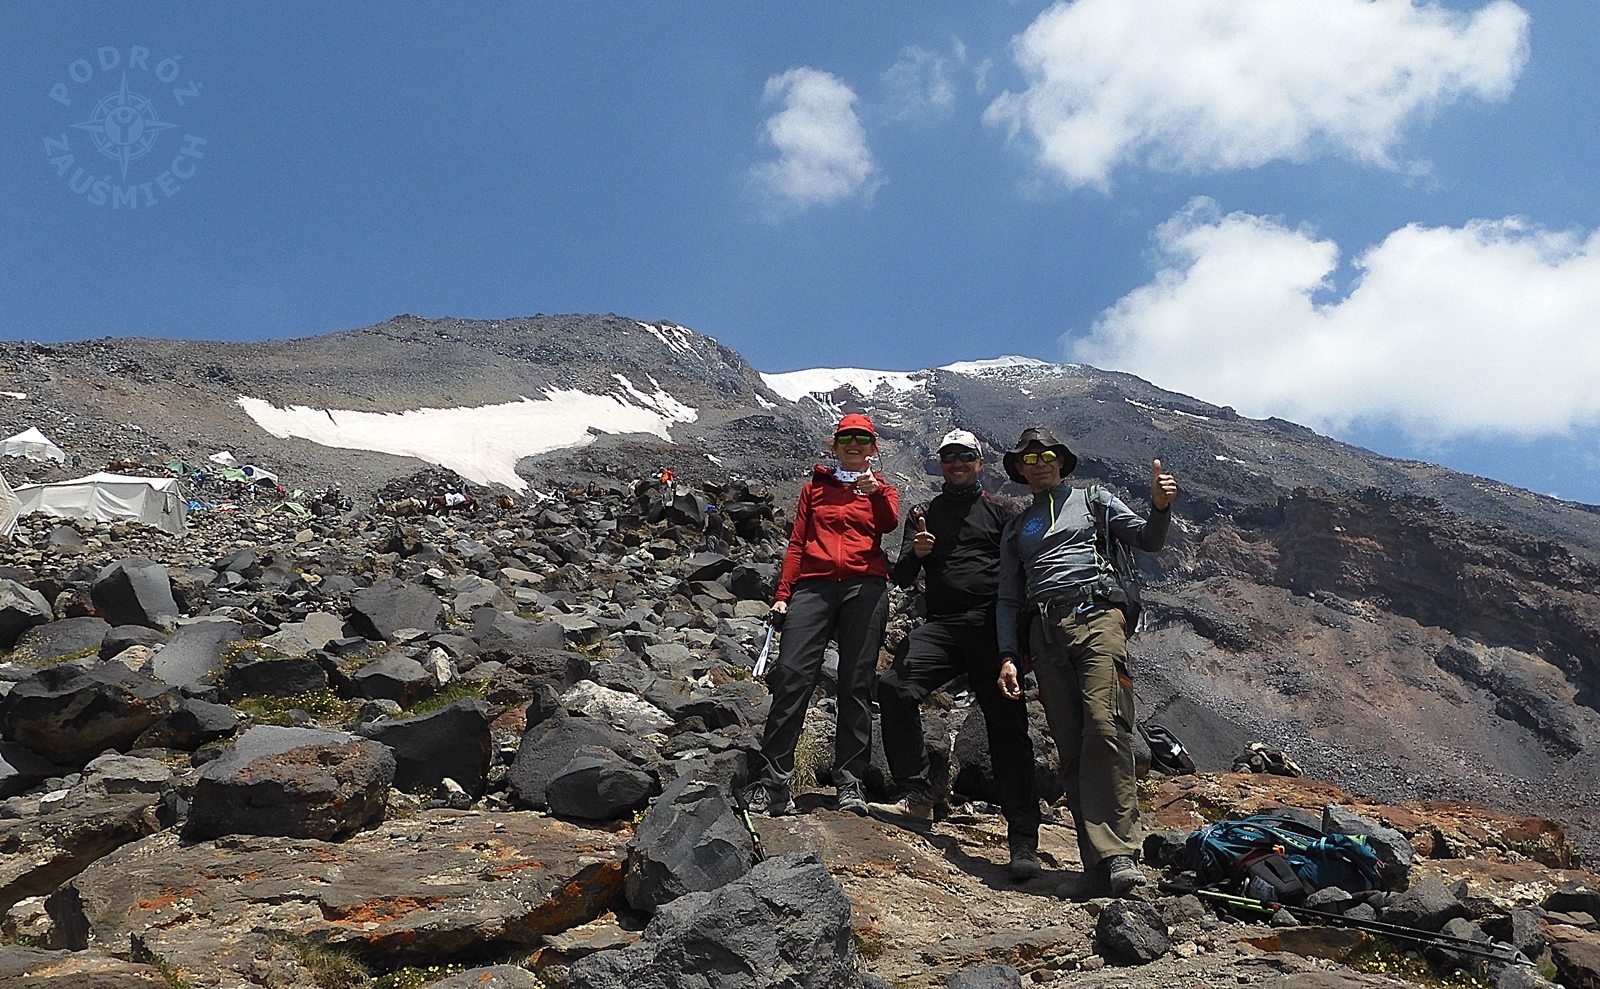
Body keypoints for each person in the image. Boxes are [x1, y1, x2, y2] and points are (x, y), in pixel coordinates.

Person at [995, 426, 1177, 898]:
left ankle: (1120, 853)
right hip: (1044, 634)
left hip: (1095, 618)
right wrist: (1008, 655)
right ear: (1019, 470)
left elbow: (1147, 539)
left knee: (1105, 726)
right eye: (1029, 459)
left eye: (1047, 456)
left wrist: (1160, 506)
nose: (1039, 464)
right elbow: (1008, 599)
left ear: (1061, 461)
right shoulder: (1016, 528)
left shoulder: (1094, 499)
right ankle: (1096, 866)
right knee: (1072, 746)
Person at [867, 429, 1043, 878]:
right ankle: (917, 794)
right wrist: (918, 553)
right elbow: (903, 577)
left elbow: (1024, 572)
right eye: (949, 457)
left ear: (980, 462)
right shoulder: (924, 514)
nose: (957, 463)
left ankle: (1023, 839)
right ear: (940, 464)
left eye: (965, 456)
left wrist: (1021, 641)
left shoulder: (1002, 510)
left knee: (1007, 727)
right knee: (895, 686)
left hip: (992, 624)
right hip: (943, 625)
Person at [742, 413, 900, 817]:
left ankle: (850, 783)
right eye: (846, 438)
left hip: (865, 587)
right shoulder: (814, 489)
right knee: (791, 676)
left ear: (873, 448)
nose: (854, 444)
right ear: (835, 445)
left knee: (856, 683)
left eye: (862, 439)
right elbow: (798, 543)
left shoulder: (884, 489)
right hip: (813, 587)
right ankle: (773, 784)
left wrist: (874, 493)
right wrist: (783, 595)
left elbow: (889, 523)